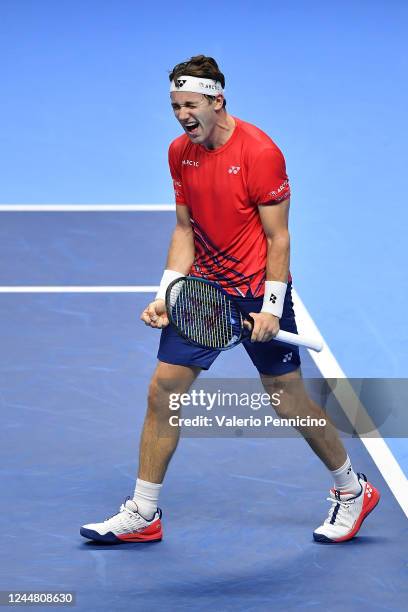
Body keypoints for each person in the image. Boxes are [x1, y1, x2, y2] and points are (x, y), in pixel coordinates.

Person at [80, 55, 380, 544]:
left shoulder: (261, 152)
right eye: (175, 106)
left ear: (217, 100)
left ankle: (352, 490)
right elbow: (184, 228)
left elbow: (278, 239)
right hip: (202, 292)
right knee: (163, 391)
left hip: (258, 291)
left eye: (190, 104)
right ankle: (144, 511)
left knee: (288, 401)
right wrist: (164, 295)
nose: (182, 115)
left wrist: (269, 304)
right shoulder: (180, 152)